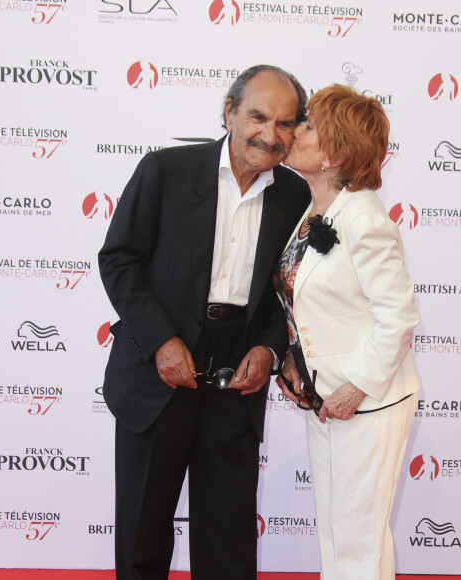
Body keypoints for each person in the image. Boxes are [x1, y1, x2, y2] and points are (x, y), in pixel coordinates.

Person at [99, 64, 310, 580]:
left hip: (237, 376)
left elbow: (293, 294)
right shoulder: (166, 170)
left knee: (229, 537)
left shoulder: (296, 196)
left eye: (285, 124)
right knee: (143, 534)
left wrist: (268, 348)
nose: (270, 134)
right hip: (158, 370)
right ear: (229, 113)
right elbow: (120, 259)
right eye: (258, 116)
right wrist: (162, 342)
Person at [275, 84, 420, 580]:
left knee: (357, 539)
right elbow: (311, 303)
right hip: (327, 397)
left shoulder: (364, 217)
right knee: (337, 534)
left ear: (336, 151)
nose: (294, 131)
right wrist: (295, 359)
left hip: (367, 402)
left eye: (308, 125)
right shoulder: (314, 208)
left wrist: (354, 387)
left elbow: (398, 319)